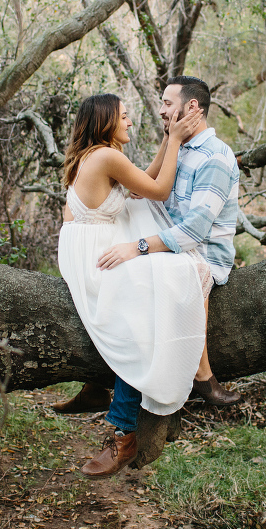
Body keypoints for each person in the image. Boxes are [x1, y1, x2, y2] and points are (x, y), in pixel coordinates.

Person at [58, 93, 210, 479]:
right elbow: (158, 190)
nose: (130, 122)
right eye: (124, 117)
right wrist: (175, 140)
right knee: (151, 300)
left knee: (156, 277)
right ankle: (124, 431)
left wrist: (166, 138)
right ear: (107, 121)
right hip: (94, 252)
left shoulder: (98, 155)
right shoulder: (106, 157)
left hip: (87, 245)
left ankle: (97, 384)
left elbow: (140, 185)